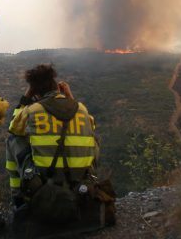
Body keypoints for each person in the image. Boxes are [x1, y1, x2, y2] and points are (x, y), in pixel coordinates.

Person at [6, 64, 110, 237]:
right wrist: (70, 97)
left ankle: (19, 199)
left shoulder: (32, 110)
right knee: (93, 137)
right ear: (57, 87)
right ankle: (89, 179)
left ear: (35, 92)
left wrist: (26, 97)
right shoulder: (82, 109)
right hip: (80, 185)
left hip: (45, 188)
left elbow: (13, 127)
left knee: (13, 139)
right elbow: (90, 125)